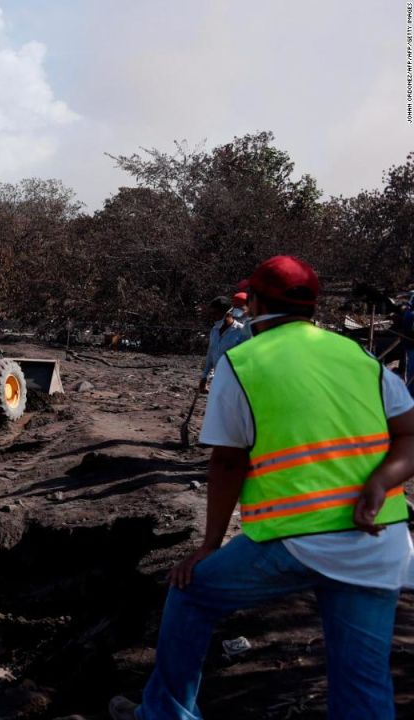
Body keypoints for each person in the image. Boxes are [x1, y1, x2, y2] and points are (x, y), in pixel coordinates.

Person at [110, 256, 413, 720]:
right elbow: (409, 433)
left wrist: (208, 546)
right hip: (377, 544)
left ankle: (166, 714)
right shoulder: (358, 356)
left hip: (297, 540)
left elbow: (228, 461)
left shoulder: (244, 361)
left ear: (252, 304)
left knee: (191, 592)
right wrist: (381, 482)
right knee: (364, 689)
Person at [198, 296, 251, 392]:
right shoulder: (214, 331)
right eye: (212, 313)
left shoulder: (242, 332)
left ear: (229, 313)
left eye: (216, 313)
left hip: (235, 383)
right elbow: (210, 355)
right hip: (218, 381)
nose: (214, 317)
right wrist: (205, 376)